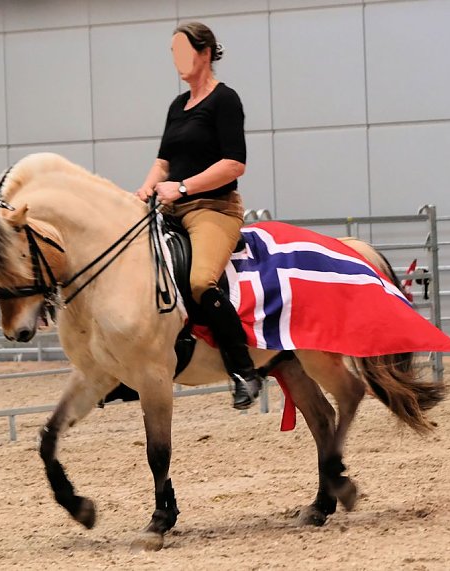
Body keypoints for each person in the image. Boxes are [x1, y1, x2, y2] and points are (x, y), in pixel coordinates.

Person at [135, 22, 263, 409]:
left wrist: (185, 187)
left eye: (183, 51)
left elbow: (234, 164)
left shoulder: (226, 100)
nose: (177, 60)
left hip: (213, 209)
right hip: (170, 208)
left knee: (199, 281)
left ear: (205, 53)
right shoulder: (177, 106)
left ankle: (243, 371)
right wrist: (144, 189)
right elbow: (163, 163)